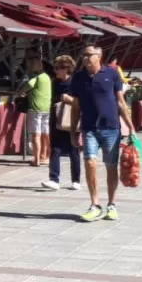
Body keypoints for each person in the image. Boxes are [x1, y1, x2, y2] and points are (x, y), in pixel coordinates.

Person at [63, 45, 130, 222]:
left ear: (99, 56)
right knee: (90, 162)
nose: (85, 58)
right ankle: (95, 205)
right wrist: (73, 131)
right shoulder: (78, 78)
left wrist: (131, 128)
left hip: (111, 128)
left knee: (111, 166)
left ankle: (112, 205)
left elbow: (121, 102)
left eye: (89, 55)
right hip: (89, 128)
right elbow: (76, 107)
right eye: (83, 55)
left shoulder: (112, 74)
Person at [43, 54, 81, 191]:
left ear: (66, 69)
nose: (55, 71)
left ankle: (76, 180)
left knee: (73, 150)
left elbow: (81, 102)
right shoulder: (55, 83)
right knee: (55, 149)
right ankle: (54, 179)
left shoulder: (75, 82)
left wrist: (68, 99)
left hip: (71, 119)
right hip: (56, 119)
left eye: (58, 68)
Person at [24, 54, 53, 169]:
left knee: (36, 135)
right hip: (47, 109)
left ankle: (36, 160)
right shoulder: (46, 77)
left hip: (35, 109)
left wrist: (20, 92)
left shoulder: (36, 78)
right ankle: (48, 156)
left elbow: (27, 86)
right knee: (46, 134)